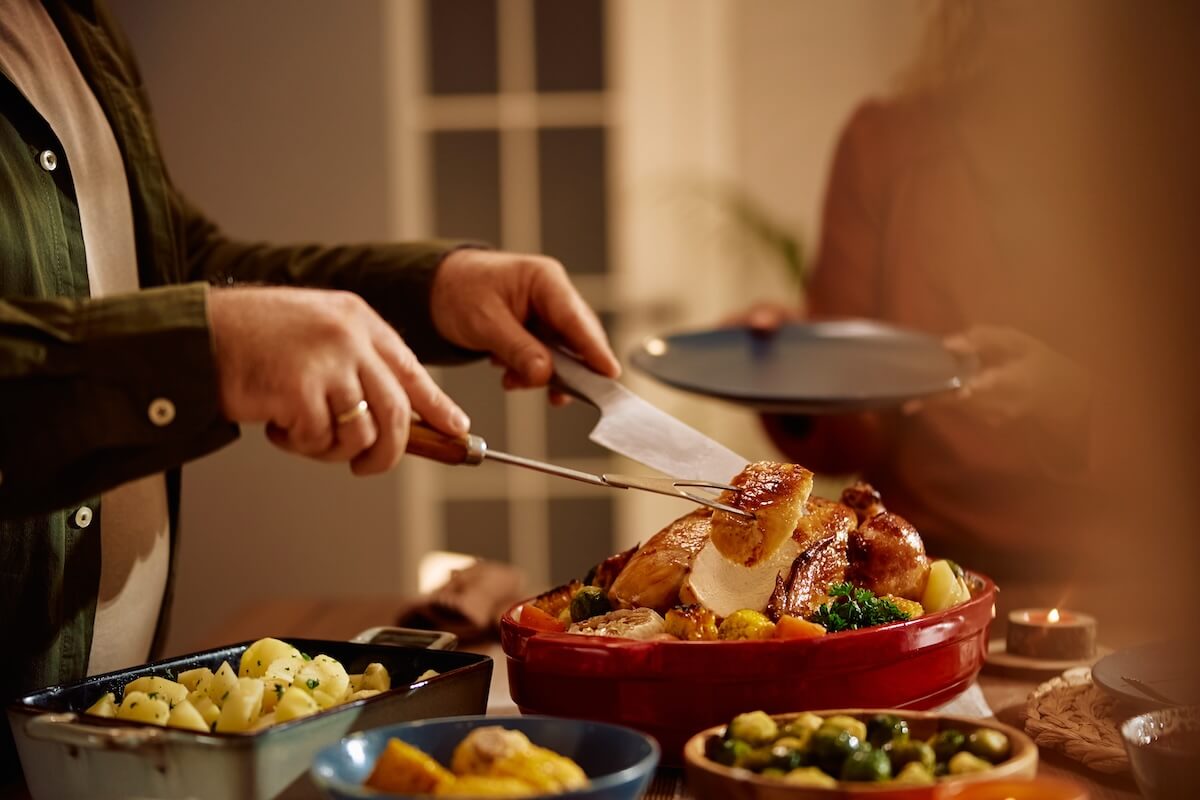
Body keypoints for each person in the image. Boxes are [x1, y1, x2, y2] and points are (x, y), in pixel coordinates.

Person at [0, 0, 618, 770]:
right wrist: (208, 349)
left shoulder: (74, 20)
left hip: (111, 755)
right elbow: (197, 317)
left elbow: (167, 260)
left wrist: (432, 288)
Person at [730, 2, 1122, 612]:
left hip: (1137, 584)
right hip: (915, 585)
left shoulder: (1162, 149)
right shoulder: (883, 145)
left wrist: (1072, 400)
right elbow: (847, 441)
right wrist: (789, 374)